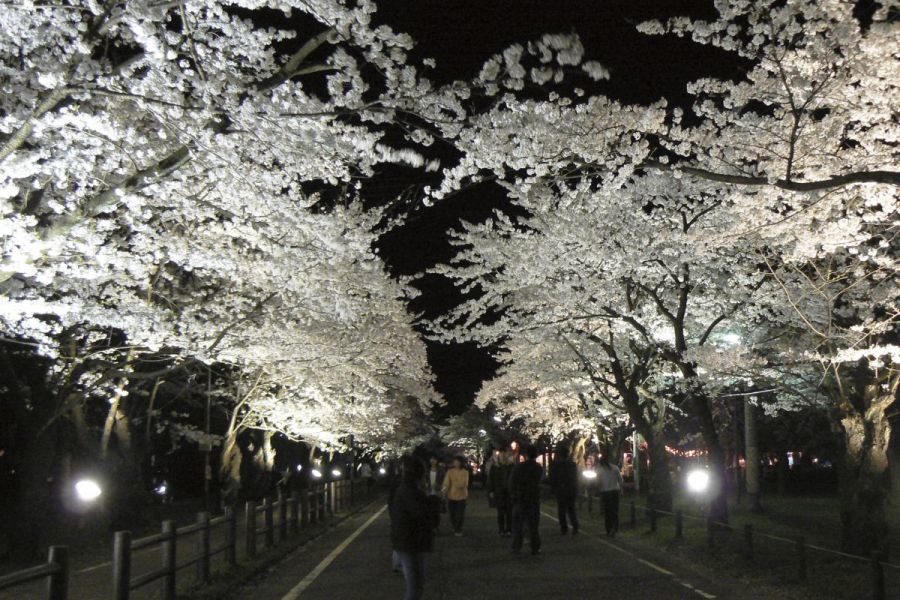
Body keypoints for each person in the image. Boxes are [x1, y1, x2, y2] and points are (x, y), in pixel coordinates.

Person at [391, 455, 438, 600]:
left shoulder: (407, 487)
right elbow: (420, 513)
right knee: (415, 585)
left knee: (416, 583)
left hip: (408, 540)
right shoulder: (410, 489)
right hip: (410, 541)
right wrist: (433, 502)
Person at [509, 444, 543, 555]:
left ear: (526, 454)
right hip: (533, 498)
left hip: (521, 498)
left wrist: (514, 495)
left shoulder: (519, 467)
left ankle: (516, 546)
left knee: (518, 524)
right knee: (533, 525)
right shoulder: (538, 468)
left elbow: (512, 482)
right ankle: (535, 546)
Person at [548, 446, 579, 535]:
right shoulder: (572, 464)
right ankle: (575, 526)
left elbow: (553, 478)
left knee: (561, 510)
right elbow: (575, 477)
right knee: (571, 509)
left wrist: (553, 489)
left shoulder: (556, 465)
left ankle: (564, 527)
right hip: (571, 489)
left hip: (561, 490)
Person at [441, 456, 469, 536]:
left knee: (460, 514)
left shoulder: (465, 472)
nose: (456, 463)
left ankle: (458, 529)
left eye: (457, 462)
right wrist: (444, 491)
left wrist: (454, 482)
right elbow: (446, 483)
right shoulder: (450, 472)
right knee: (452, 514)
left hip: (462, 496)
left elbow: (464, 484)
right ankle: (455, 527)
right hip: (451, 495)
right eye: (454, 462)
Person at [597, 453, 623, 537]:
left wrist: (598, 489)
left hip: (605, 492)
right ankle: (615, 528)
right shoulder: (615, 468)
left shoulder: (600, 470)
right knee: (615, 511)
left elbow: (598, 482)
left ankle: (608, 529)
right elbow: (620, 480)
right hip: (615, 491)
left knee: (607, 512)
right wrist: (621, 489)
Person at [488, 448, 514, 536]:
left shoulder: (511, 466)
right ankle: (501, 530)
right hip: (499, 491)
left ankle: (509, 529)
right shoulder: (495, 467)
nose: (503, 456)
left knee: (509, 512)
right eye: (502, 454)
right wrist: (491, 490)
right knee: (500, 512)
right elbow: (490, 480)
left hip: (509, 492)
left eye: (505, 454)